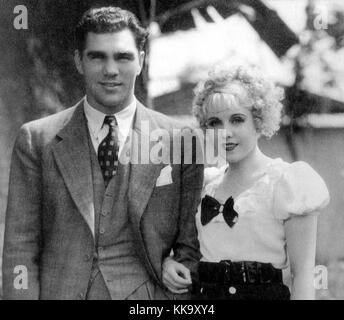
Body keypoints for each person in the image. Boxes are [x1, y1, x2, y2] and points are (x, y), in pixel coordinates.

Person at [2, 6, 203, 300]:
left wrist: (178, 267)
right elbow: (20, 248)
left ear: (141, 62)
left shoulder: (181, 140)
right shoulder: (36, 140)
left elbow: (191, 245)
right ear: (79, 62)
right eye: (97, 56)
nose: (111, 70)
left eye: (123, 57)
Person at [162, 65, 330, 300]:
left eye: (237, 120)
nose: (225, 133)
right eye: (214, 123)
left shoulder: (287, 183)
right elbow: (187, 252)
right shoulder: (205, 185)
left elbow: (302, 275)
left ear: (258, 121)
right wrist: (170, 263)